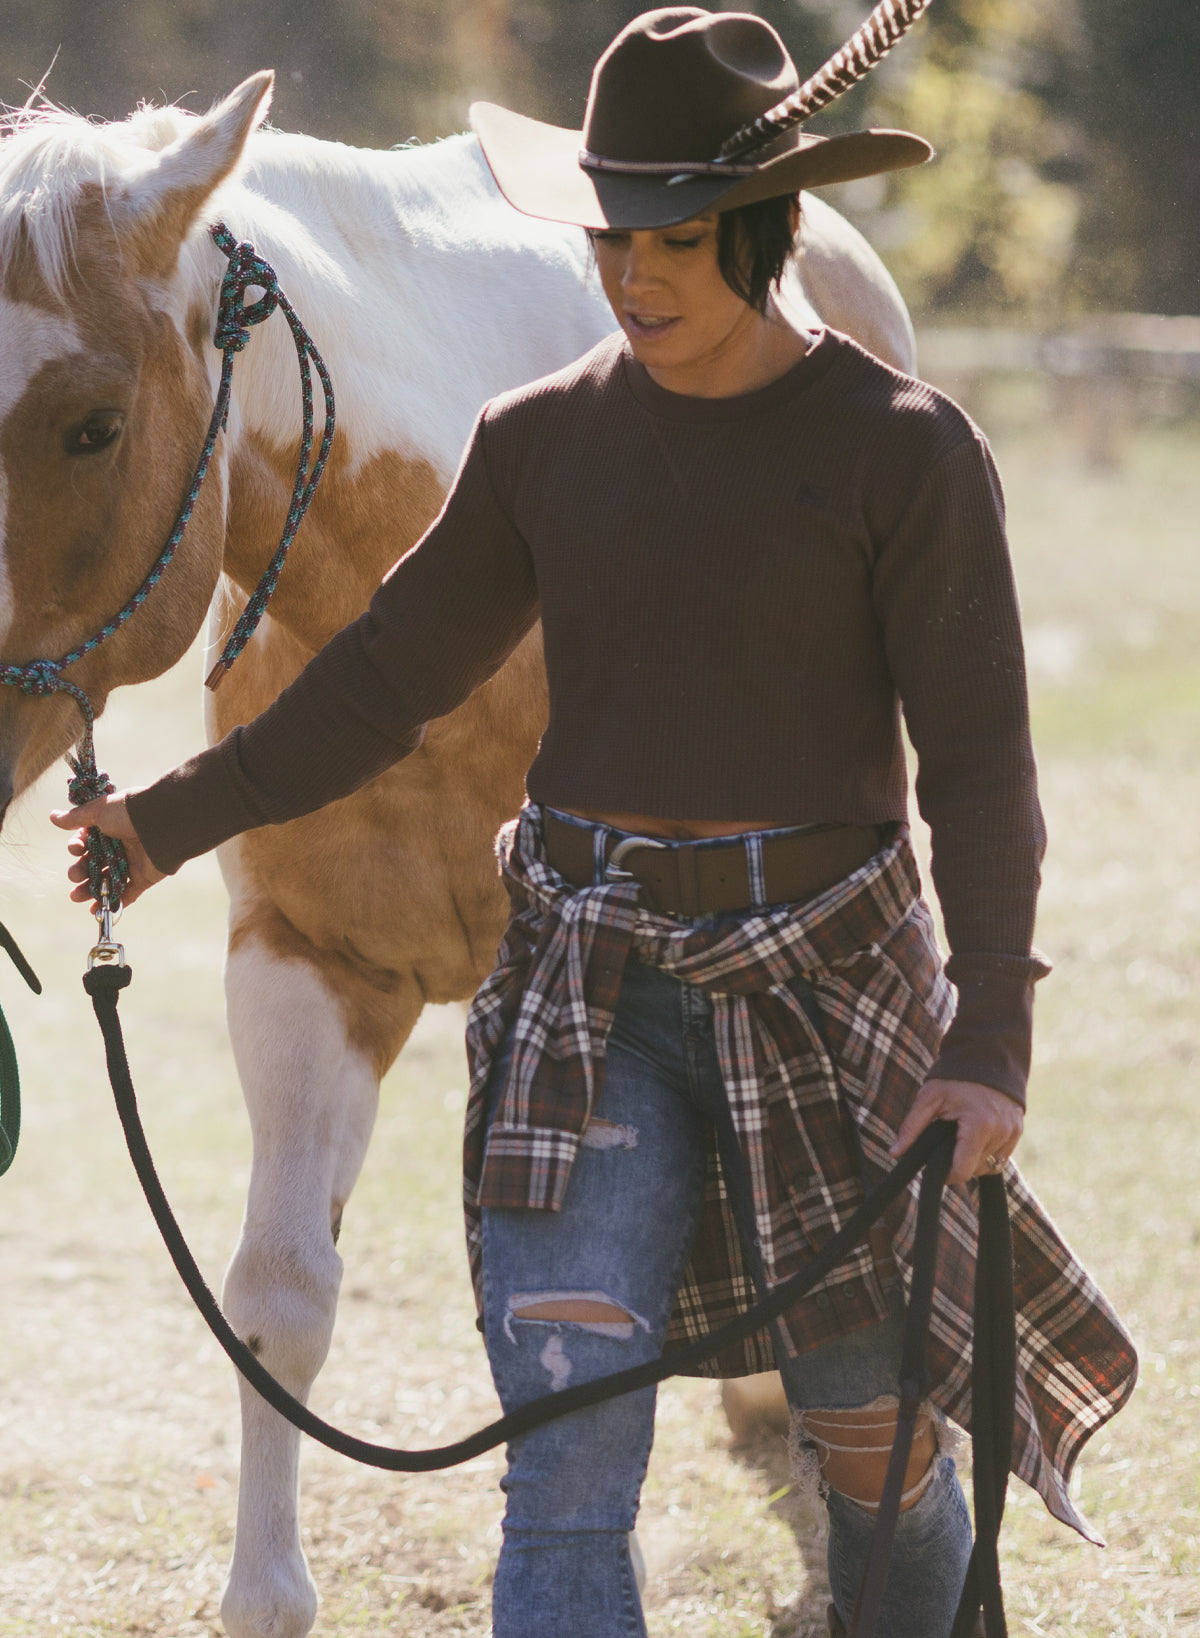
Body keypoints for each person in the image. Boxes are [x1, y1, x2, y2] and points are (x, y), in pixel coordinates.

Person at [55, 11, 1135, 1637]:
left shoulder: (907, 454)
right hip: (591, 994)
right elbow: (385, 677)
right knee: (563, 1458)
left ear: (768, 228)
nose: (632, 274)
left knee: (873, 1451)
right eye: (610, 235)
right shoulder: (540, 439)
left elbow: (982, 766)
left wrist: (988, 1034)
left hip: (828, 990)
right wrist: (165, 821)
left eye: (675, 240)